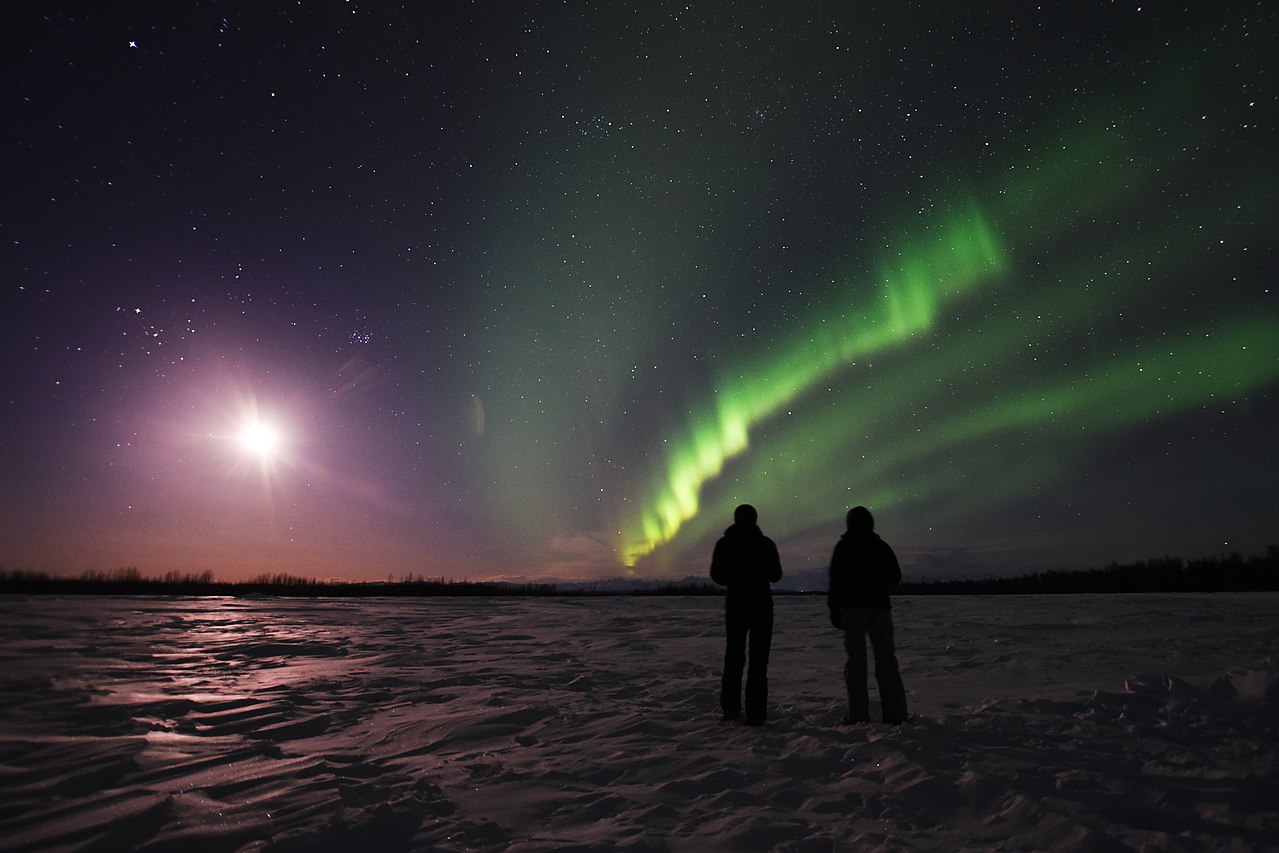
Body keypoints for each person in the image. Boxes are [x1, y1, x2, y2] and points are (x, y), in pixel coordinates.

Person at [827, 506, 908, 725]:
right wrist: (878, 586)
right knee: (887, 660)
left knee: (856, 662)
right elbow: (895, 576)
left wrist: (834, 608)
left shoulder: (845, 546)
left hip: (853, 609)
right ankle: (896, 716)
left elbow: (836, 579)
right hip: (880, 608)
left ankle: (857, 716)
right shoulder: (880, 546)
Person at [710, 503, 783, 724]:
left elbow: (717, 575)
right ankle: (756, 713)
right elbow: (776, 575)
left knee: (734, 657)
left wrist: (734, 578)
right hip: (761, 606)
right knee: (758, 661)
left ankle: (731, 708)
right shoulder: (765, 543)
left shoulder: (725, 544)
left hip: (736, 606)